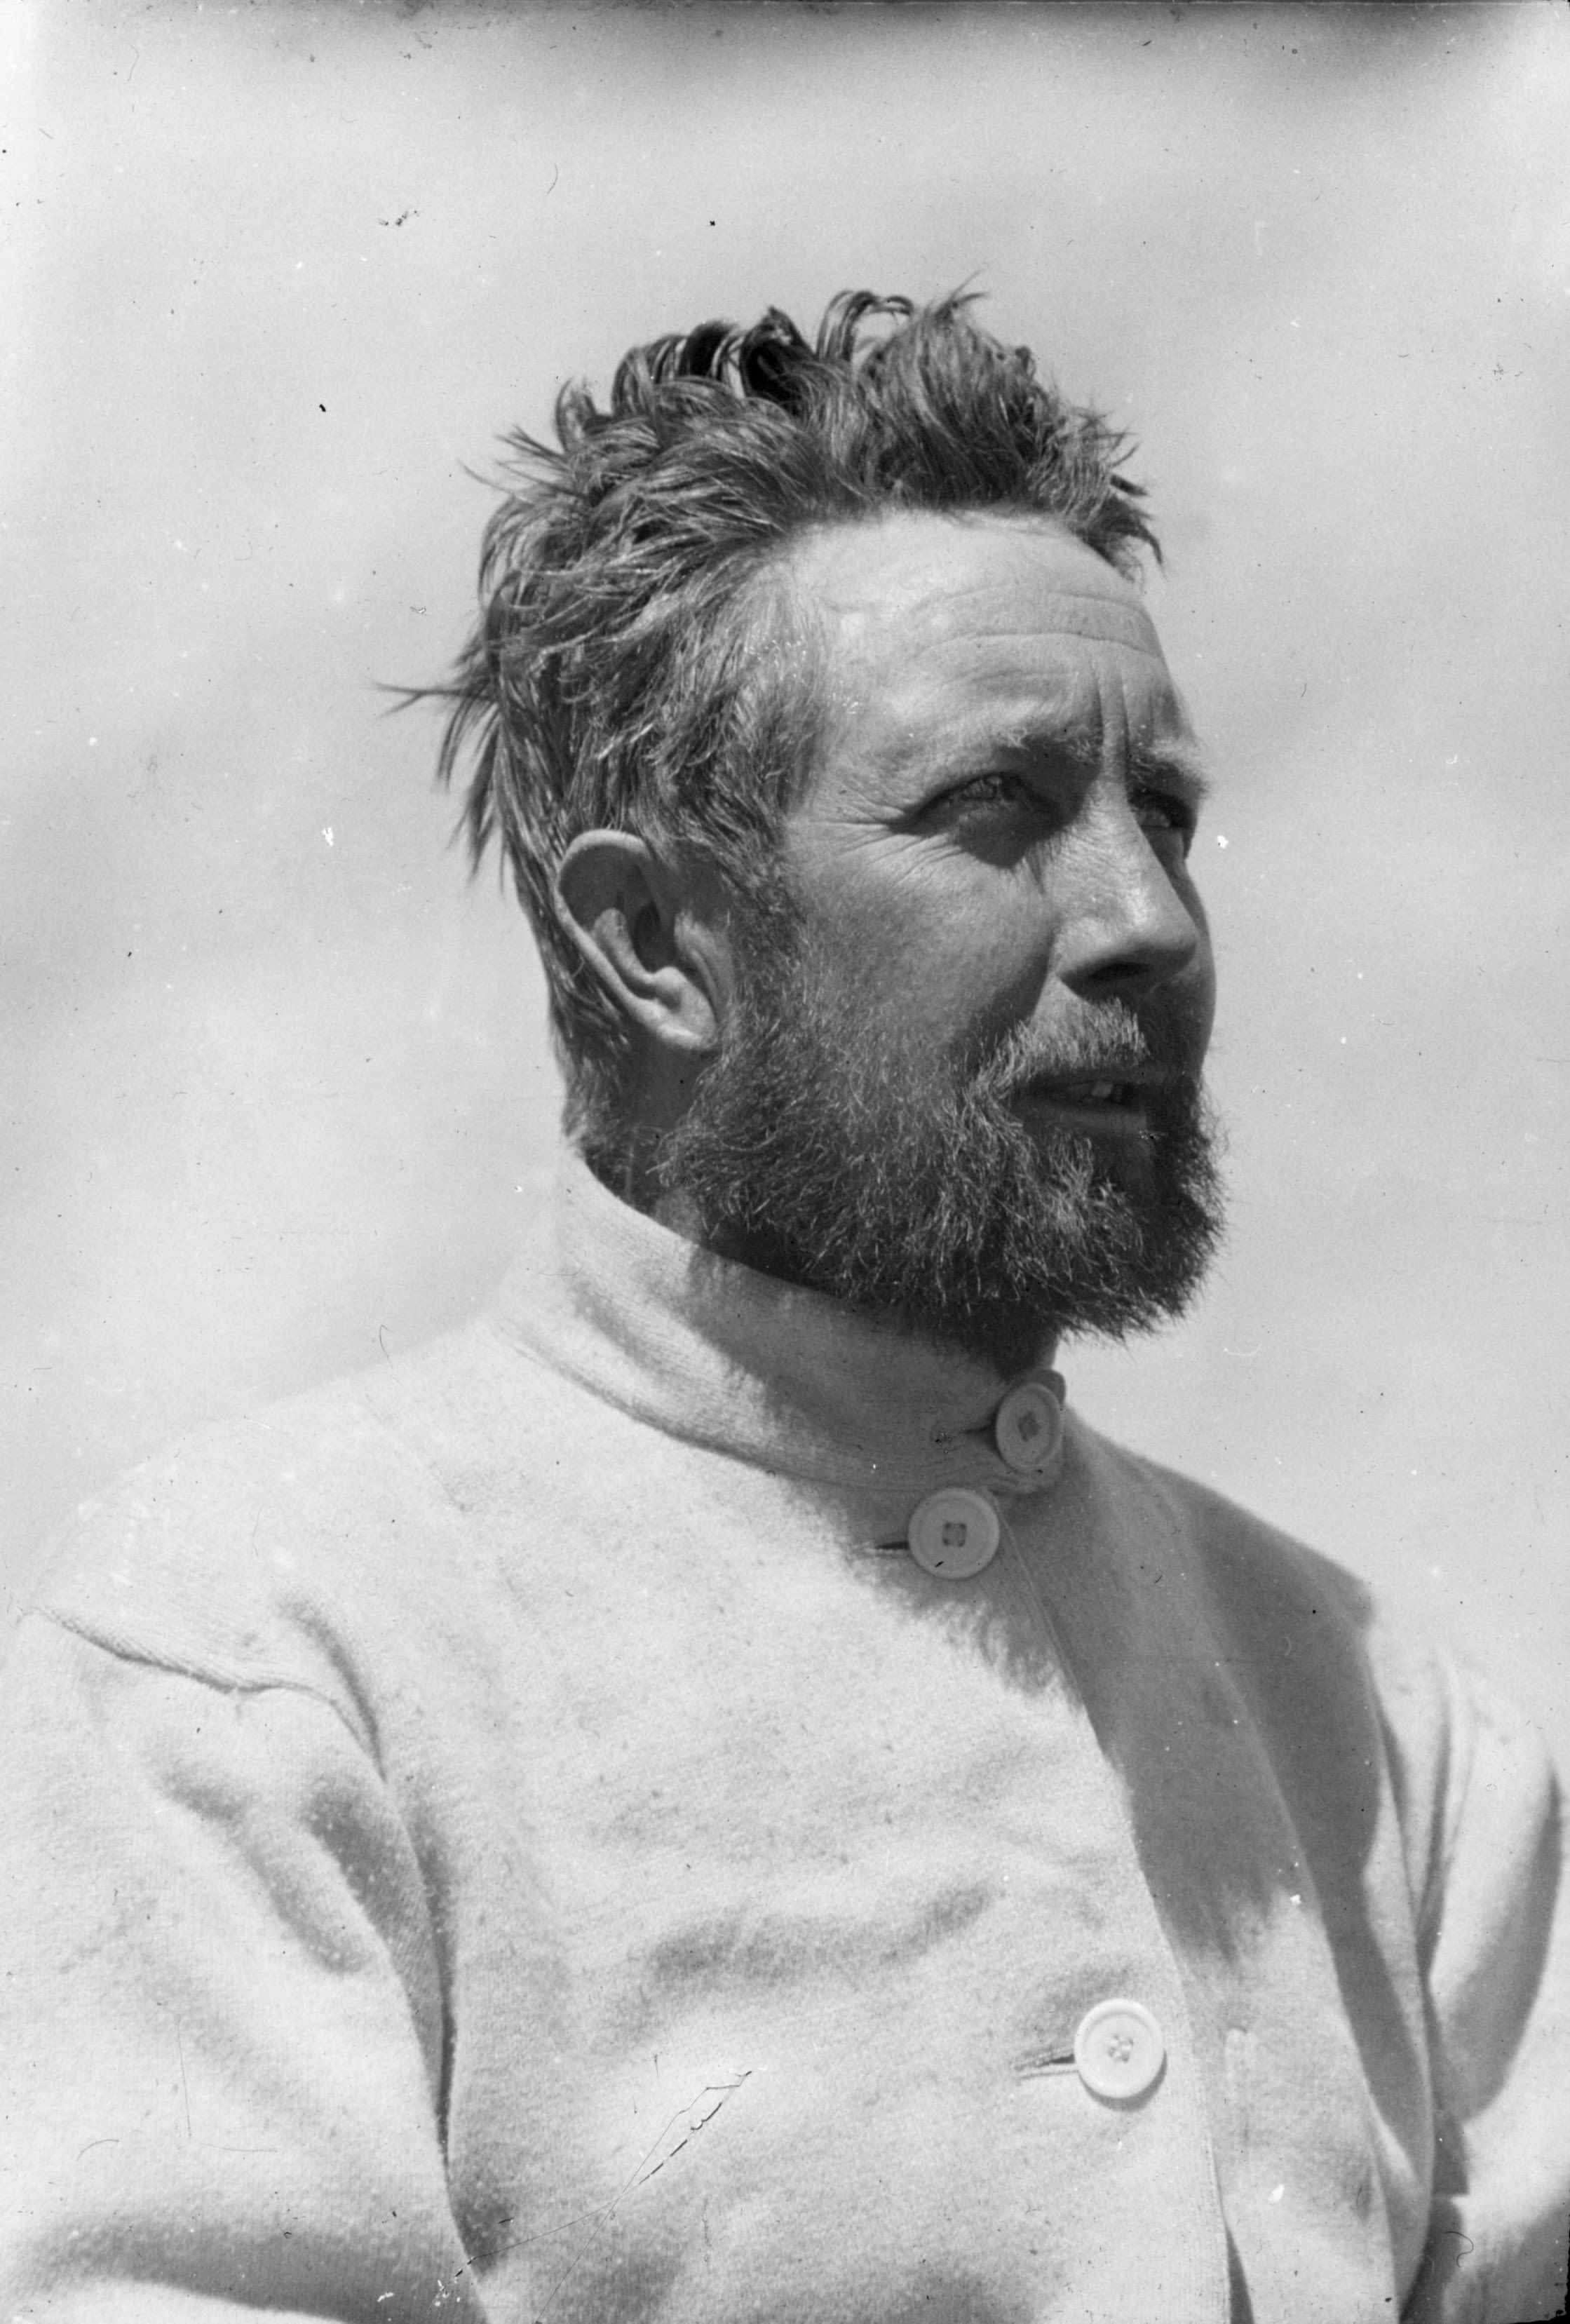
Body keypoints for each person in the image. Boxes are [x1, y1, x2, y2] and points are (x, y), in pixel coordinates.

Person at [1, 292, 1564, 2324]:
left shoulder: (1377, 1724)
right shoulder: (258, 1659)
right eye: (997, 807)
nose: (1150, 921)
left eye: (1162, 813)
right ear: (652, 940)